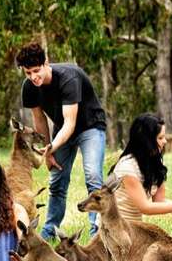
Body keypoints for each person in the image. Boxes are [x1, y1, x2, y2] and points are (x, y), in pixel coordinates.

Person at [16, 42, 106, 240]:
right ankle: (49, 231)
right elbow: (39, 119)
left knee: (93, 176)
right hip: (62, 129)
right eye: (28, 73)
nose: (33, 77)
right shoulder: (29, 87)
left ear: (46, 63)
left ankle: (97, 233)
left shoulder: (68, 78)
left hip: (90, 126)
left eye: (36, 71)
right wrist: (47, 151)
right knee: (57, 180)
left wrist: (53, 146)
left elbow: (70, 123)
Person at [109, 113, 172, 222]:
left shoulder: (154, 161)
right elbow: (145, 207)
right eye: (160, 138)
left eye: (164, 137)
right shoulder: (127, 168)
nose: (165, 141)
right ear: (146, 141)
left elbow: (159, 202)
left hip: (134, 228)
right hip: (113, 228)